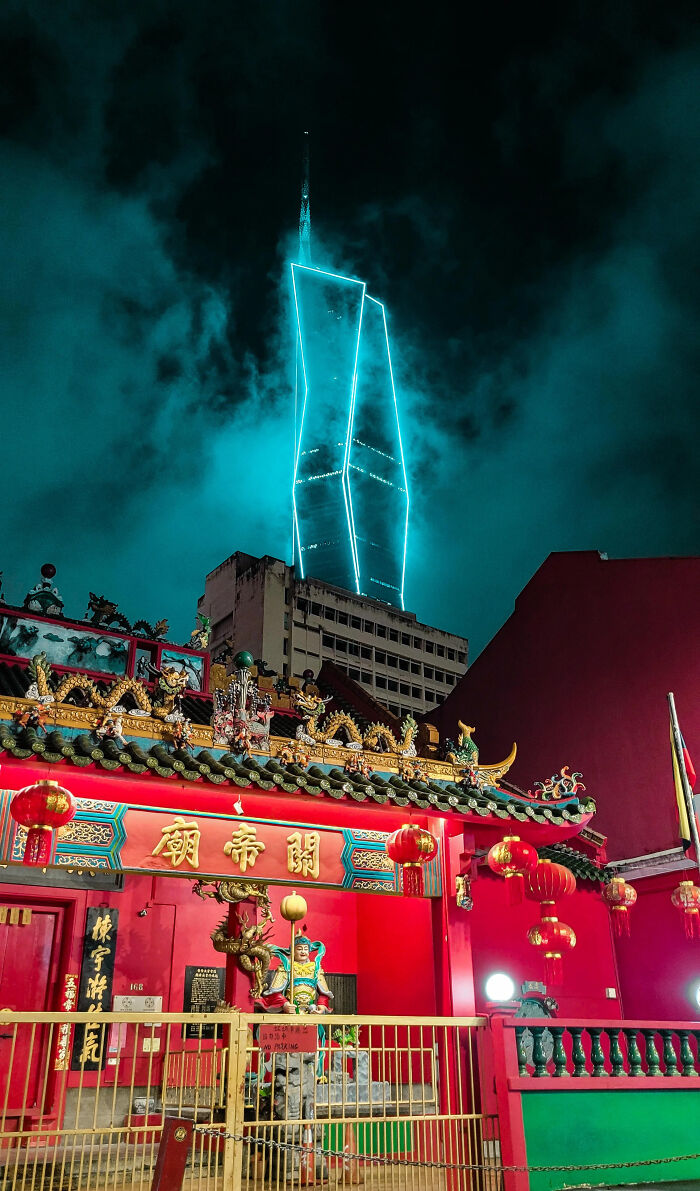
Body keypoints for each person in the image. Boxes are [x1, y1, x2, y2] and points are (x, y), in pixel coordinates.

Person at [260, 936, 333, 1014]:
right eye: (299, 949)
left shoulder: (315, 968)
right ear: (293, 951)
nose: (303, 951)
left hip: (311, 1011)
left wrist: (321, 1006)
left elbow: (324, 994)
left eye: (305, 949)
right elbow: (274, 993)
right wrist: (285, 1004)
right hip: (292, 1010)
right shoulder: (286, 966)